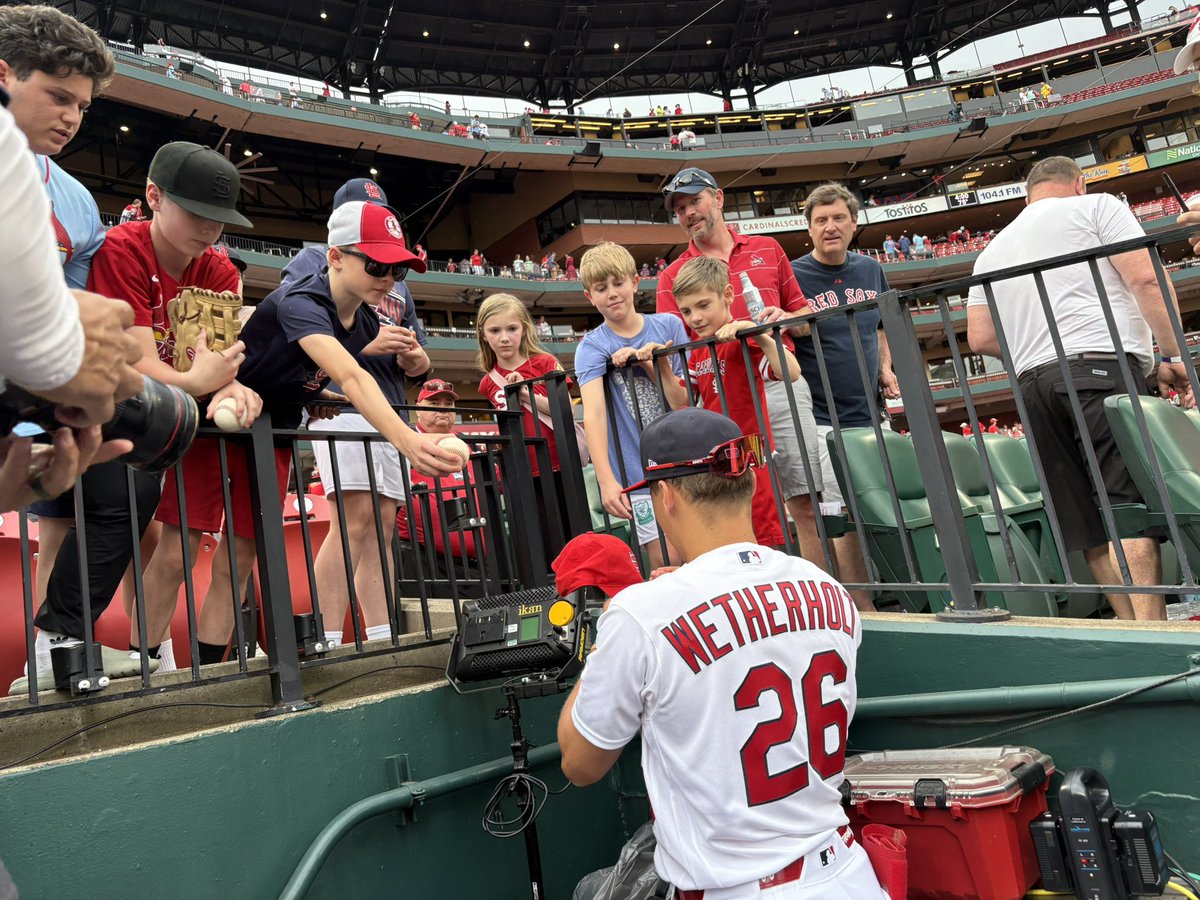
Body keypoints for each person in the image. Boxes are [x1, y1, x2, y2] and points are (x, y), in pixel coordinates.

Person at [557, 407, 882, 900]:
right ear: (748, 484)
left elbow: (579, 765)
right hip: (849, 873)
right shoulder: (826, 586)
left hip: (740, 888)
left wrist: (612, 634)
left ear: (664, 495)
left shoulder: (643, 612)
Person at [138, 200, 461, 665]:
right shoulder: (301, 298)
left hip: (275, 431)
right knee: (178, 553)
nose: (388, 278)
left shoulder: (365, 319)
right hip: (219, 419)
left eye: (398, 269)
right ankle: (145, 662)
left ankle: (210, 676)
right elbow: (351, 375)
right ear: (335, 257)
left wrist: (311, 397)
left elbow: (310, 373)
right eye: (376, 264)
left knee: (241, 560)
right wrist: (408, 439)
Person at [967, 156, 1195, 621]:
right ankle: (1152, 632)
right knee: (1125, 503)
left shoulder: (993, 248)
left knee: (1084, 520)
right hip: (1098, 366)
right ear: (1078, 183)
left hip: (1033, 384)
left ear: (1028, 193)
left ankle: (1129, 630)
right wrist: (1173, 355)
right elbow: (1146, 278)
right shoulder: (1096, 206)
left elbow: (981, 338)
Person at [282, 178, 431, 652]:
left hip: (389, 403)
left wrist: (413, 358)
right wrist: (371, 342)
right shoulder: (313, 259)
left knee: (382, 526)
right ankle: (326, 635)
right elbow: (303, 331)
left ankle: (384, 634)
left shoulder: (396, 282)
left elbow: (421, 356)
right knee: (352, 519)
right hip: (340, 403)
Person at [657, 167, 824, 563]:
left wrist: (773, 323)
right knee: (731, 511)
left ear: (717, 197)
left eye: (693, 201)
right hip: (718, 402)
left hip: (775, 381)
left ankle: (823, 594)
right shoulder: (672, 274)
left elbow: (802, 321)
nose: (688, 213)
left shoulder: (768, 247)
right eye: (679, 209)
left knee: (804, 502)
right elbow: (685, 350)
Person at [791, 183, 899, 611]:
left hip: (872, 413)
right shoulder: (795, 274)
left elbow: (880, 325)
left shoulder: (870, 269)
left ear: (854, 223)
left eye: (838, 218)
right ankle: (861, 602)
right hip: (822, 418)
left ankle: (897, 588)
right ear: (810, 229)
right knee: (841, 515)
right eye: (821, 220)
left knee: (882, 505)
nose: (830, 227)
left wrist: (886, 367)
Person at [669, 256, 800, 550]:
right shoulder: (699, 351)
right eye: (686, 311)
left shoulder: (745, 339)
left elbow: (791, 372)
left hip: (752, 460)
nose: (695, 318)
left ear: (727, 295)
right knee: (728, 544)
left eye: (703, 305)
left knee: (763, 542)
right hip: (719, 465)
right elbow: (680, 399)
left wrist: (759, 335)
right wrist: (659, 368)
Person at [575, 242, 689, 568]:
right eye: (601, 288)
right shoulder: (593, 345)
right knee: (666, 560)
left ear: (635, 282)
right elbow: (593, 414)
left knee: (699, 553)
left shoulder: (668, 326)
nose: (612, 293)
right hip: (637, 474)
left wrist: (652, 363)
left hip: (683, 460)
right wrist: (607, 480)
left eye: (618, 283)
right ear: (589, 296)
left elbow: (683, 399)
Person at [476, 293, 572, 550]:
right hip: (519, 470)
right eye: (495, 330)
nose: (504, 337)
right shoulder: (487, 382)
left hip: (558, 464)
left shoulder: (545, 363)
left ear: (524, 329)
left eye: (512, 328)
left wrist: (522, 392)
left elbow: (565, 411)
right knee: (535, 542)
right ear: (483, 334)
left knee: (569, 535)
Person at [396, 380, 488, 589]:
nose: (443, 409)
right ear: (418, 410)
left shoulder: (468, 445)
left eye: (448, 405)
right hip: (425, 564)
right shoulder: (406, 444)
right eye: (434, 403)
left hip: (478, 565)